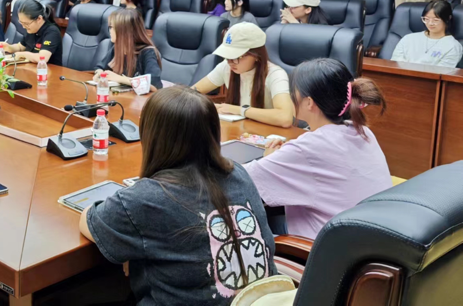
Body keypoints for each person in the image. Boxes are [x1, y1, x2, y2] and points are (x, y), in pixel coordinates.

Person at [80, 86, 276, 305]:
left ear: (151, 135)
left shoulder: (147, 198)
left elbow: (89, 220)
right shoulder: (238, 172)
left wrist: (133, 237)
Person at [244, 58, 392, 238]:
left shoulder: (308, 149)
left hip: (324, 248)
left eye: (293, 91)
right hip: (370, 239)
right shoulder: (363, 132)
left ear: (309, 102)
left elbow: (240, 178)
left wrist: (268, 158)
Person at [193, 23, 295, 128]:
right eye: (227, 56)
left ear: (257, 55)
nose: (230, 62)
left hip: (267, 133)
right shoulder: (226, 66)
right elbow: (192, 92)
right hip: (238, 130)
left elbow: (285, 118)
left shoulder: (275, 74)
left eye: (236, 56)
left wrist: (239, 110)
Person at [94, 9, 162, 89]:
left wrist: (120, 79)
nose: (109, 31)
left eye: (111, 27)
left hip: (138, 97)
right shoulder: (118, 48)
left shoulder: (148, 52)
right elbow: (100, 67)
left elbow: (154, 85)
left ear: (124, 31)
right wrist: (100, 73)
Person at [391, 0, 463, 67]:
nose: (430, 23)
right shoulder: (407, 39)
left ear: (448, 18)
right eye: (426, 19)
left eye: (435, 20)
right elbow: (395, 64)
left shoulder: (453, 46)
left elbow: (441, 72)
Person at [0, 0, 62, 65]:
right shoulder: (31, 29)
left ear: (39, 19)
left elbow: (42, 58)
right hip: (31, 67)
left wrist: (22, 54)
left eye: (26, 23)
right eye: (21, 23)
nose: (23, 27)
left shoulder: (52, 32)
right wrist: (8, 47)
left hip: (48, 69)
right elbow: (20, 47)